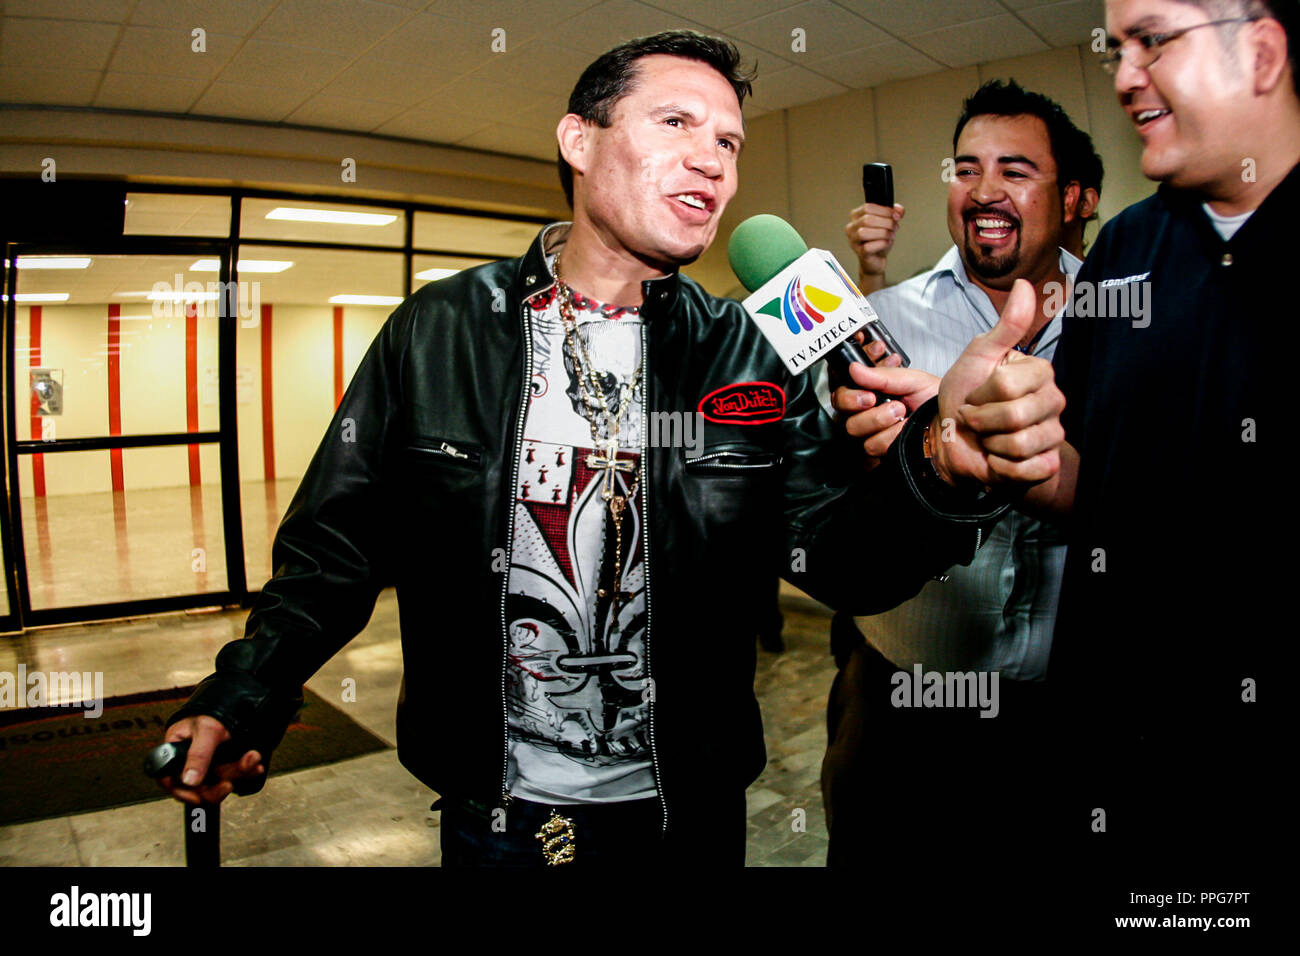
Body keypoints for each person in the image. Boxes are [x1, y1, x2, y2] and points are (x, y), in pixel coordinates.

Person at [156, 30, 1068, 867]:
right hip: (495, 813)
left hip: (685, 814)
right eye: (677, 122)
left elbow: (840, 559)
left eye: (729, 142)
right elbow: (335, 553)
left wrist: (935, 473)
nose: (711, 159)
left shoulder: (747, 351)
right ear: (579, 140)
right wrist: (248, 691)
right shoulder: (439, 330)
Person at [837, 0, 1293, 875]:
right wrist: (956, 440)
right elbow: (1090, 477)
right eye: (966, 167)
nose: (1124, 74)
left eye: (1150, 41)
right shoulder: (1128, 250)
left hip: (1099, 718)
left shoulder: (1104, 279)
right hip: (941, 703)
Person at [823, 80, 1096, 864]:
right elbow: (838, 505)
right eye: (965, 167)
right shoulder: (884, 322)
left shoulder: (1125, 316)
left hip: (1061, 712)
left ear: (1074, 196)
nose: (983, 189)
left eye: (1015, 170)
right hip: (902, 704)